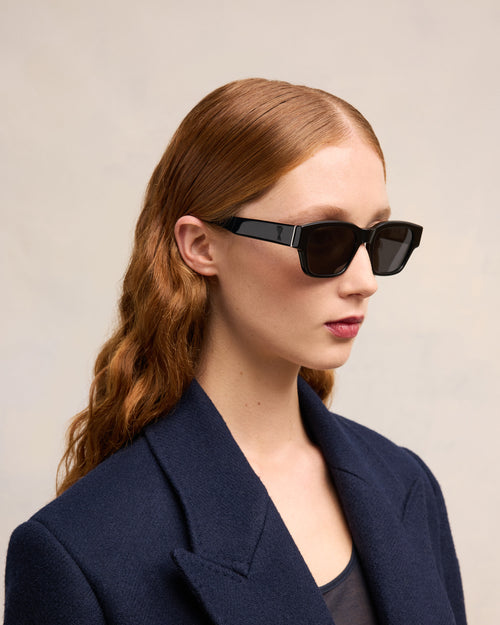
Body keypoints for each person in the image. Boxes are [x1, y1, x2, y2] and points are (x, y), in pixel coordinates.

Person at [4, 78, 466, 625]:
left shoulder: (406, 486)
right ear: (201, 246)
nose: (365, 281)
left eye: (378, 238)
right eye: (324, 239)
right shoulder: (78, 552)